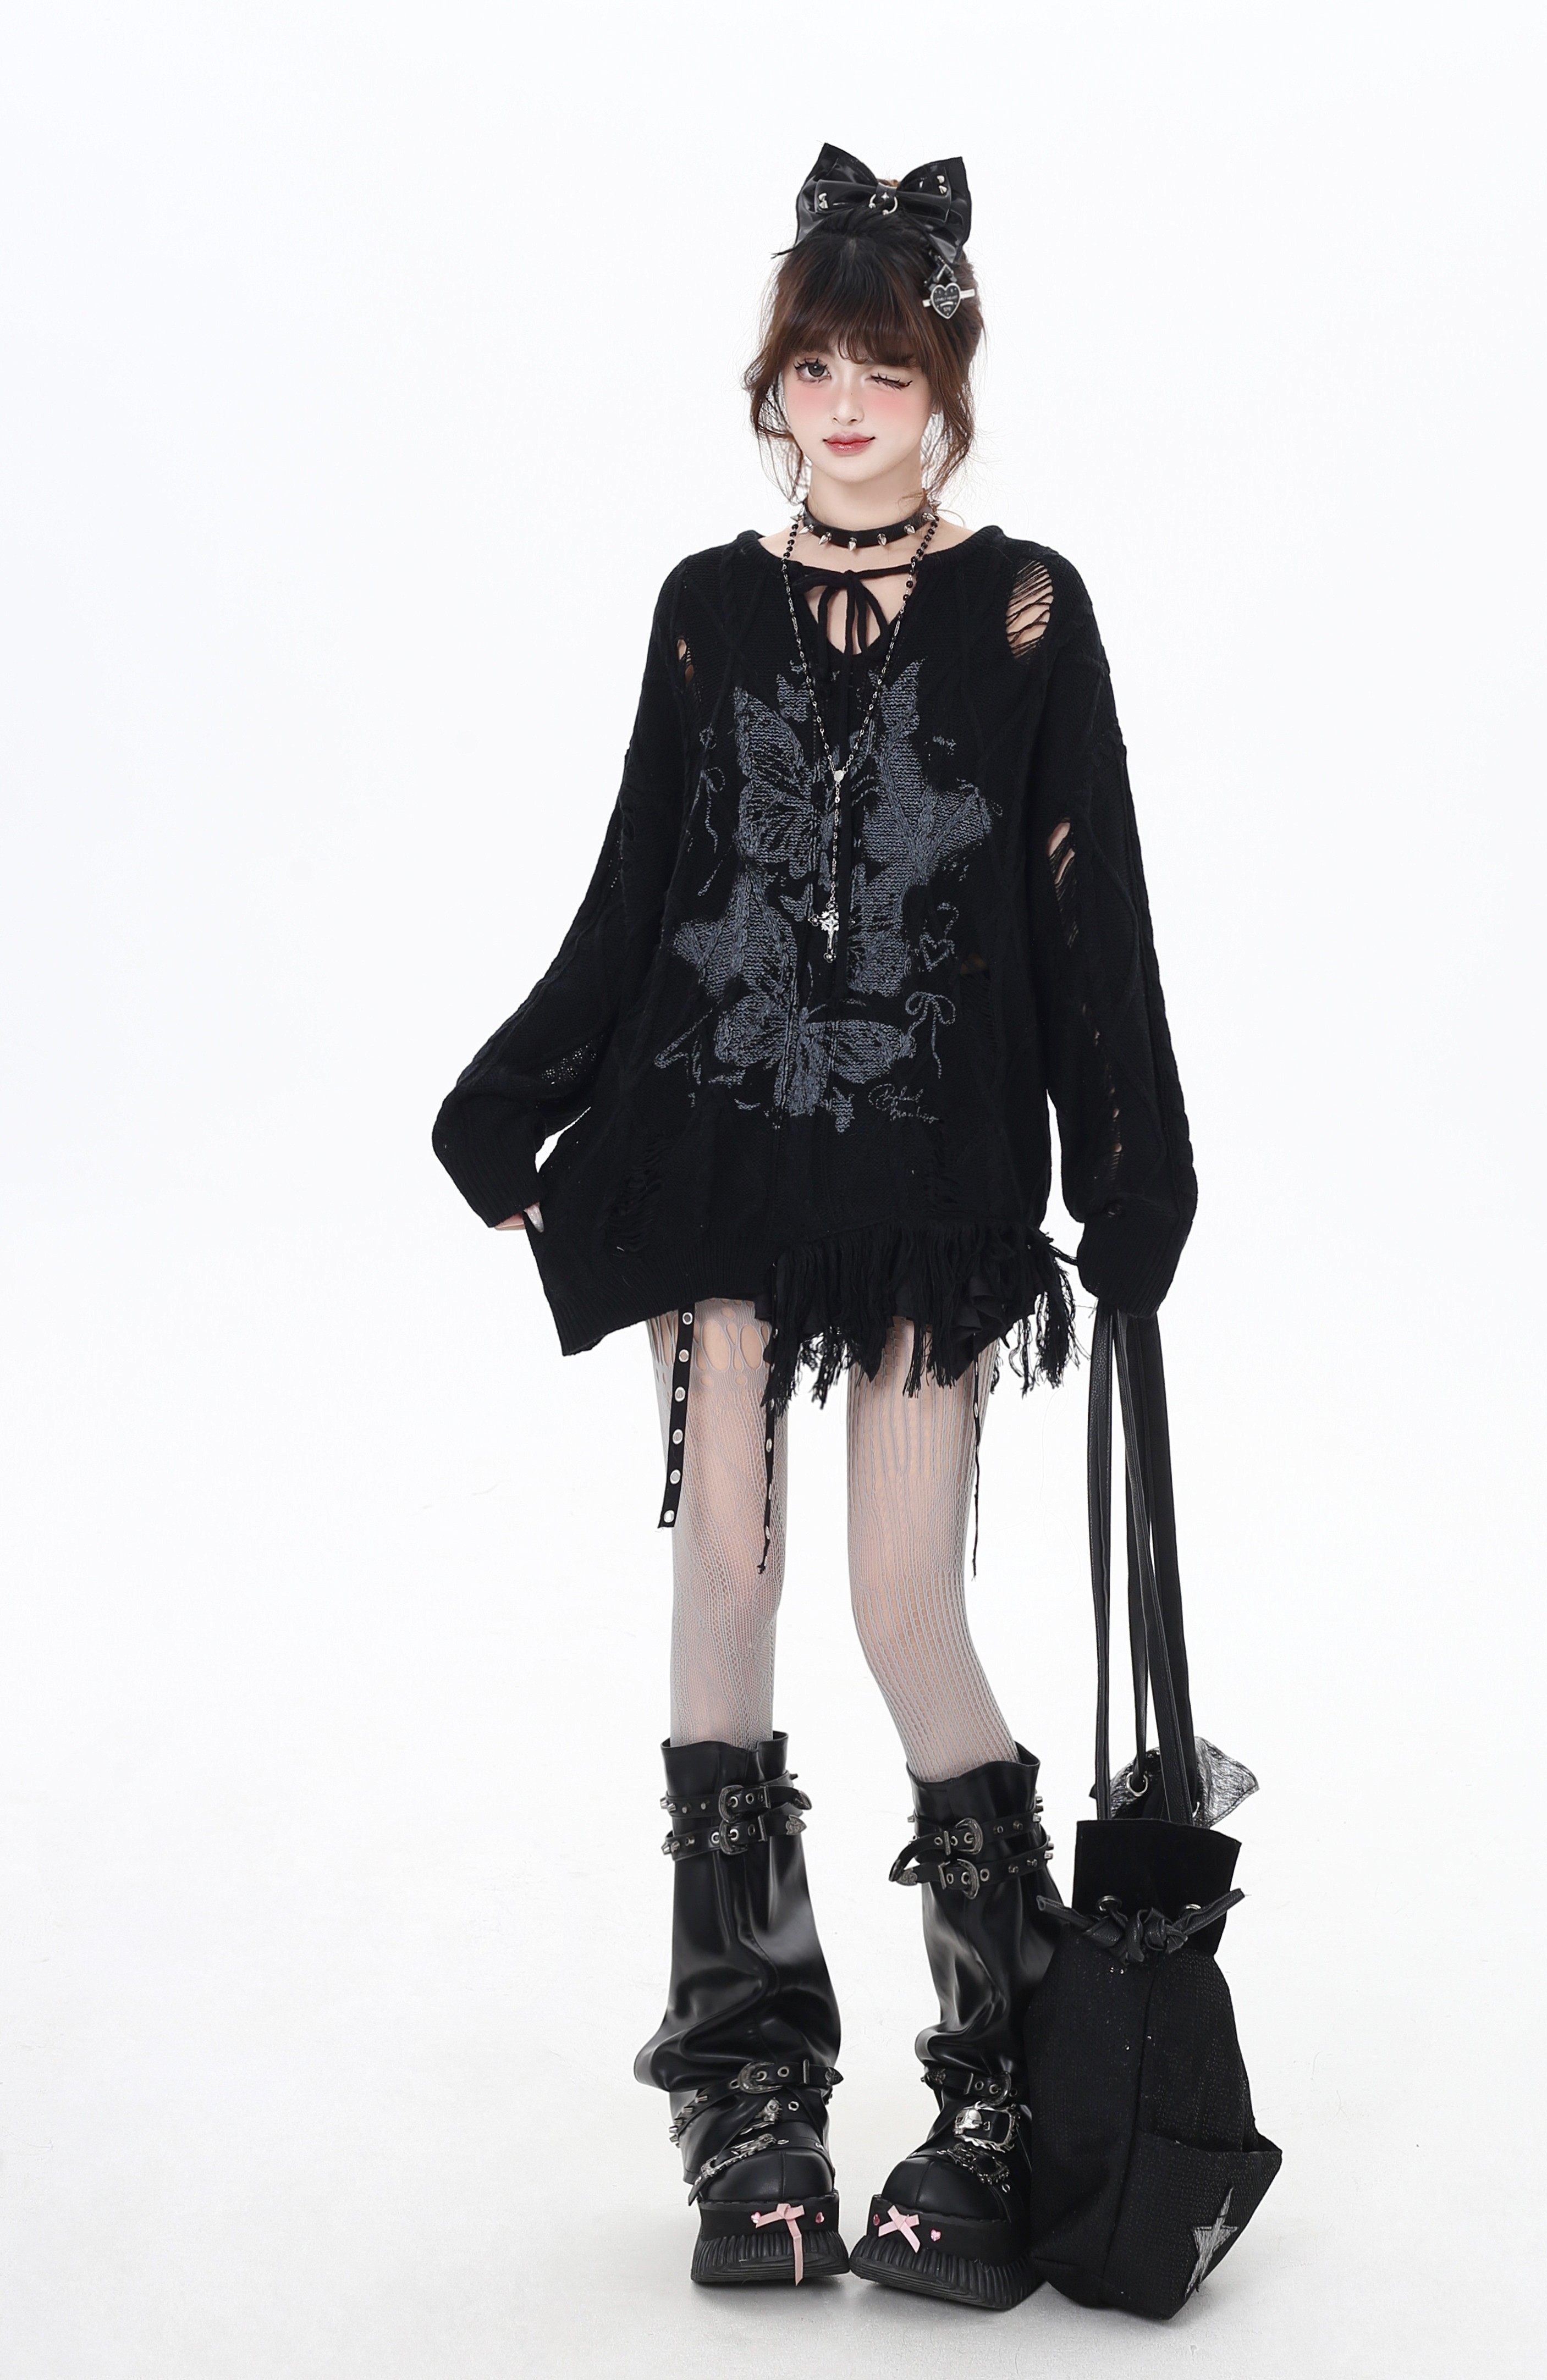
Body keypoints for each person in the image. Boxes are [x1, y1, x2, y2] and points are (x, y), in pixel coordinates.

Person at [431, 145, 1197, 2311]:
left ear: (946, 386)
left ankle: (1000, 2092)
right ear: (773, 383)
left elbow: (1087, 904)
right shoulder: (706, 605)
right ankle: (749, 2091)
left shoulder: (1027, 608)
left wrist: (1134, 1163)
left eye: (886, 368)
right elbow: (640, 888)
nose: (845, 407)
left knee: (899, 1598)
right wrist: (510, 1101)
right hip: (721, 1156)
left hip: (933, 1188)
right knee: (729, 1587)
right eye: (814, 368)